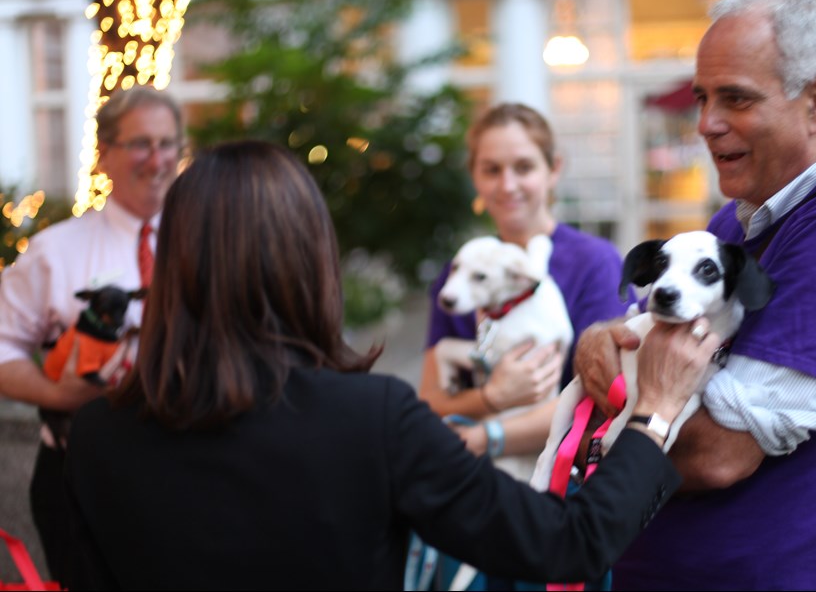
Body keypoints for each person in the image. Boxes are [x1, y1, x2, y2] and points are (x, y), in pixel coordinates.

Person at [62, 139, 720, 590]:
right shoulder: (369, 418)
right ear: (308, 263)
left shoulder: (92, 436)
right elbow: (565, 543)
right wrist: (655, 413)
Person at [576, 0, 816, 590]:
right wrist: (609, 343)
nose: (707, 124)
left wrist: (615, 394)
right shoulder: (733, 225)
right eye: (702, 97)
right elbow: (663, 363)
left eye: (735, 99)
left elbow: (714, 452)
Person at [0, 85, 183, 583]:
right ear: (104, 155)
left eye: (168, 143)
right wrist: (55, 392)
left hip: (196, 466)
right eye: (141, 143)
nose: (158, 158)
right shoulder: (54, 252)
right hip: (80, 475)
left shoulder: (210, 243)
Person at [419, 102, 630, 471]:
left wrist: (485, 437)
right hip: (481, 481)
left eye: (524, 167)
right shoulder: (461, 272)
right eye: (492, 170)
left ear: (554, 168)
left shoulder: (595, 264)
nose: (507, 185)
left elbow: (603, 398)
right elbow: (430, 400)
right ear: (475, 176)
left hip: (563, 479)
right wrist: (491, 396)